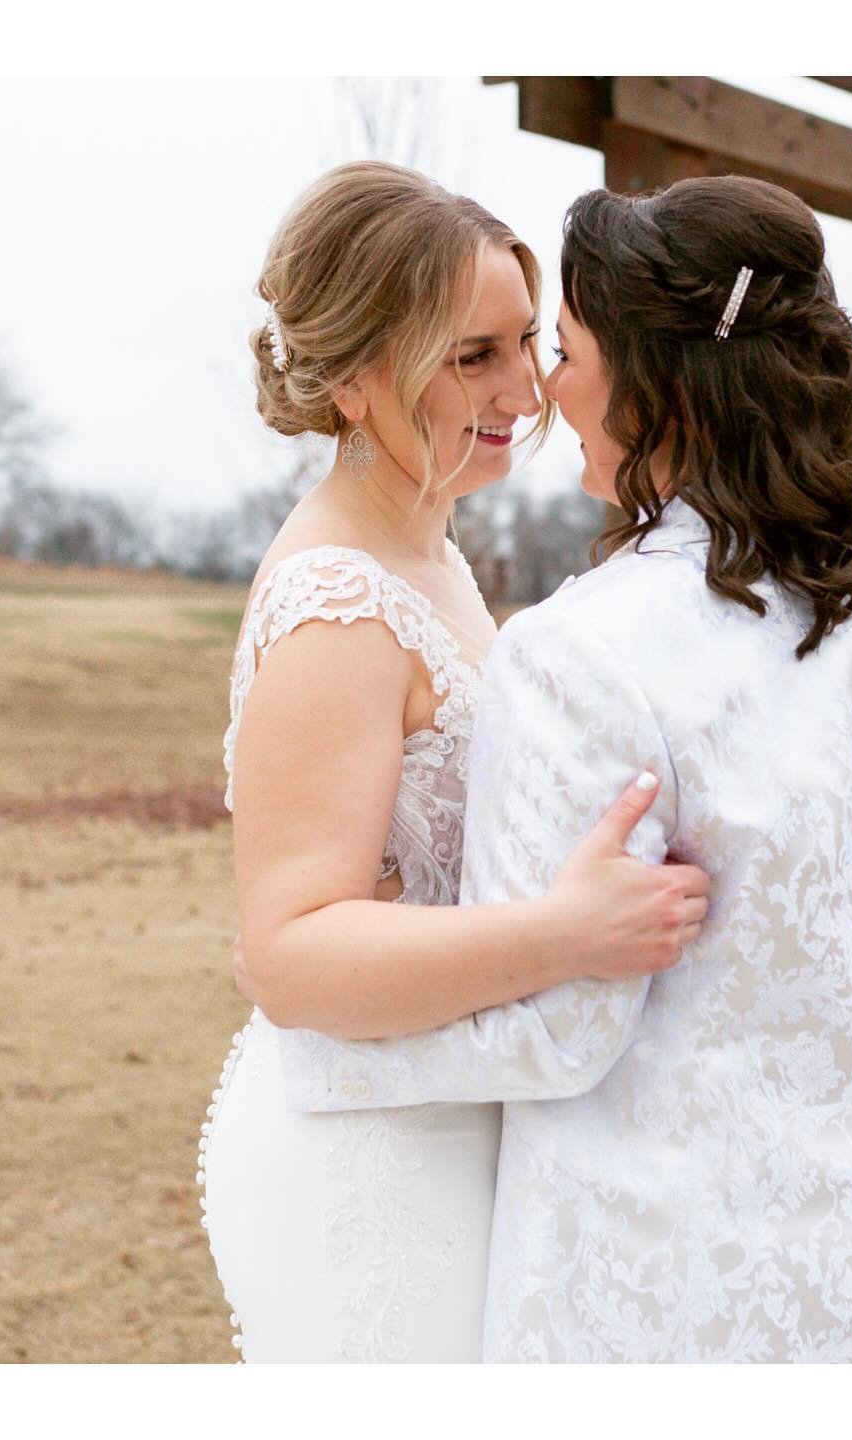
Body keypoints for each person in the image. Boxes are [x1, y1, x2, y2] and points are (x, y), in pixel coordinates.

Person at [276, 175, 852, 1363]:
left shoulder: (581, 652)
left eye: (569, 348)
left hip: (675, 1296)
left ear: (656, 383)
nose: (549, 386)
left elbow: (560, 1029)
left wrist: (308, 1040)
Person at [198, 162, 710, 1363]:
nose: (528, 391)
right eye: (472, 355)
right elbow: (290, 950)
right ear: (354, 375)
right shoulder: (337, 602)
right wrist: (568, 932)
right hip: (366, 1166)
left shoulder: (430, 558)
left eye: (529, 344)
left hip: (449, 1113)